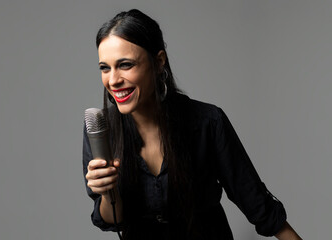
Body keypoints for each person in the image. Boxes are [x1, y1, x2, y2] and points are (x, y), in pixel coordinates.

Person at [83, 9, 302, 240]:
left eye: (125, 65)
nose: (113, 80)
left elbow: (259, 205)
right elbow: (110, 219)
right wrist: (109, 193)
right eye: (105, 68)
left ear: (158, 62)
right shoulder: (101, 130)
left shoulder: (208, 122)